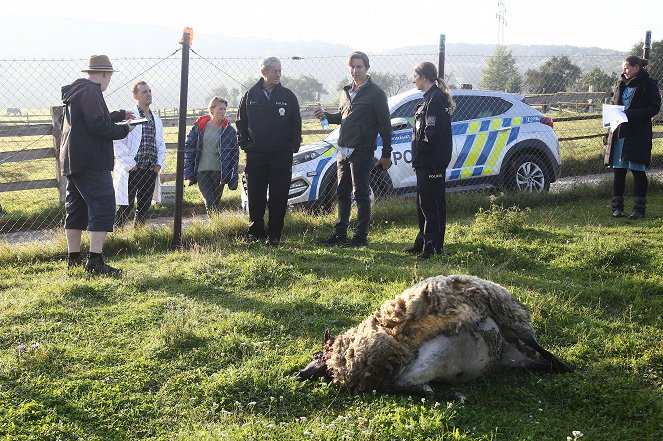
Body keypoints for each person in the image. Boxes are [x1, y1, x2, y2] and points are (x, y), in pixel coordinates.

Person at [60, 55, 133, 276]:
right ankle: (95, 261)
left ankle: (74, 259)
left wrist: (119, 115)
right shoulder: (91, 91)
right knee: (103, 205)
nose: (109, 79)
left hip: (75, 160)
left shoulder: (78, 91)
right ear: (104, 74)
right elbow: (97, 126)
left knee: (77, 208)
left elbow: (90, 120)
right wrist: (124, 130)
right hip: (92, 160)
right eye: (109, 75)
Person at [315, 51, 392, 248]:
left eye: (359, 67)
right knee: (342, 193)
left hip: (363, 150)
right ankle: (340, 234)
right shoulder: (346, 91)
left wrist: (386, 154)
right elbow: (343, 118)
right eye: (352, 67)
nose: (355, 70)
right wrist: (325, 116)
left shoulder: (376, 93)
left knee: (361, 194)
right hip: (343, 149)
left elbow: (385, 125)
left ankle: (360, 237)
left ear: (367, 68)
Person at [236, 57, 302, 246]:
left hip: (281, 154)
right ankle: (255, 232)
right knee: (255, 194)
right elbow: (241, 122)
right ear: (263, 72)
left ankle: (274, 235)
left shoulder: (288, 96)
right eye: (274, 70)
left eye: (280, 70)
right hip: (256, 154)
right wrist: (245, 144)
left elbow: (296, 123)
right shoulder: (250, 95)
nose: (278, 74)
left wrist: (293, 146)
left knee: (278, 195)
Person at [405, 62, 455, 259]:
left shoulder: (434, 99)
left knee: (431, 204)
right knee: (422, 203)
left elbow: (431, 133)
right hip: (424, 162)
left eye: (415, 76)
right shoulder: (427, 99)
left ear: (424, 77)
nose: (414, 80)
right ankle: (422, 241)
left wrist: (422, 151)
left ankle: (432, 247)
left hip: (432, 161)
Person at [606, 55, 661, 220]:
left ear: (637, 67)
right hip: (620, 133)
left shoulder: (649, 84)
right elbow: (616, 104)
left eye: (627, 68)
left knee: (638, 171)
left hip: (638, 134)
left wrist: (631, 114)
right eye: (623, 68)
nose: (624, 71)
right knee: (619, 171)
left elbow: (654, 107)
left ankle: (639, 210)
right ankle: (617, 208)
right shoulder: (621, 84)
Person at [113, 81, 167, 227]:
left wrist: (158, 165)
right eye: (144, 92)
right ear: (135, 96)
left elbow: (161, 144)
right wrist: (131, 165)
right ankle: (116, 235)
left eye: (149, 91)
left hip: (150, 170)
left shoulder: (156, 119)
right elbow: (117, 141)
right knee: (126, 206)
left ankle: (138, 233)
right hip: (132, 170)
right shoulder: (129, 116)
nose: (148, 94)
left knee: (144, 206)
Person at [184, 96, 239, 214]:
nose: (223, 112)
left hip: (220, 171)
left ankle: (215, 227)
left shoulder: (229, 130)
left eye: (225, 109)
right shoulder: (200, 126)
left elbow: (235, 154)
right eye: (220, 109)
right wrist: (188, 170)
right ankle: (216, 226)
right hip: (201, 170)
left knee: (215, 202)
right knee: (209, 201)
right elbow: (189, 147)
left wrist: (232, 175)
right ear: (212, 109)